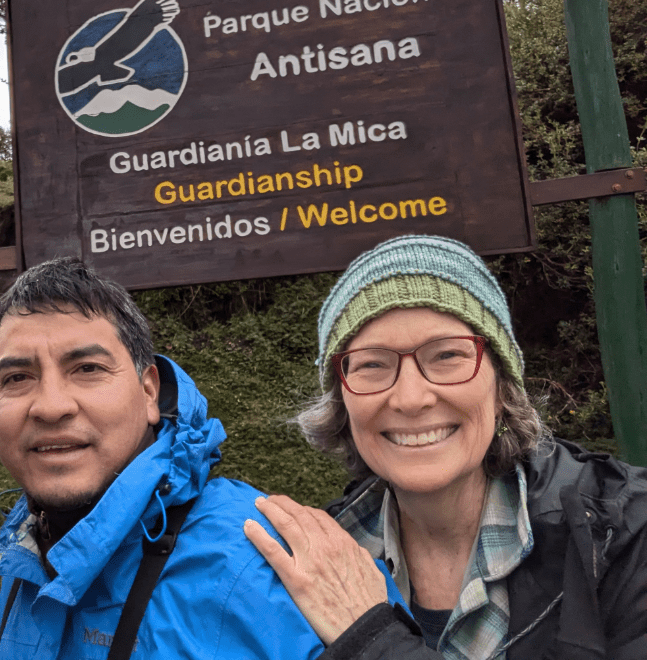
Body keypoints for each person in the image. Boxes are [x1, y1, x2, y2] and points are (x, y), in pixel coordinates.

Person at [0, 257, 402, 659]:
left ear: (150, 391)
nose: (51, 405)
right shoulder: (43, 536)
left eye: (87, 368)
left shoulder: (263, 561)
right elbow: (15, 643)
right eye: (17, 377)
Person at [244, 234, 647, 659]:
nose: (411, 398)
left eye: (447, 356)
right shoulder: (315, 561)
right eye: (372, 365)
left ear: (501, 384)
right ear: (342, 402)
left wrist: (373, 640)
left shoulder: (626, 535)